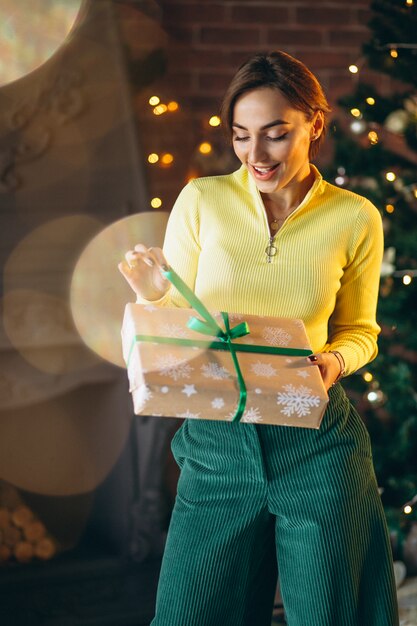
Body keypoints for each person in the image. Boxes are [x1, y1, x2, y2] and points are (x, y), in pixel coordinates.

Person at [119, 51, 399, 626]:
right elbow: (181, 321)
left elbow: (360, 332)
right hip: (217, 446)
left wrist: (332, 362)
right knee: (187, 615)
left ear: (314, 124)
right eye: (242, 136)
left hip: (316, 444)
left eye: (275, 134)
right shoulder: (203, 200)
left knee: (331, 614)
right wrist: (152, 293)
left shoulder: (355, 218)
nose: (255, 155)